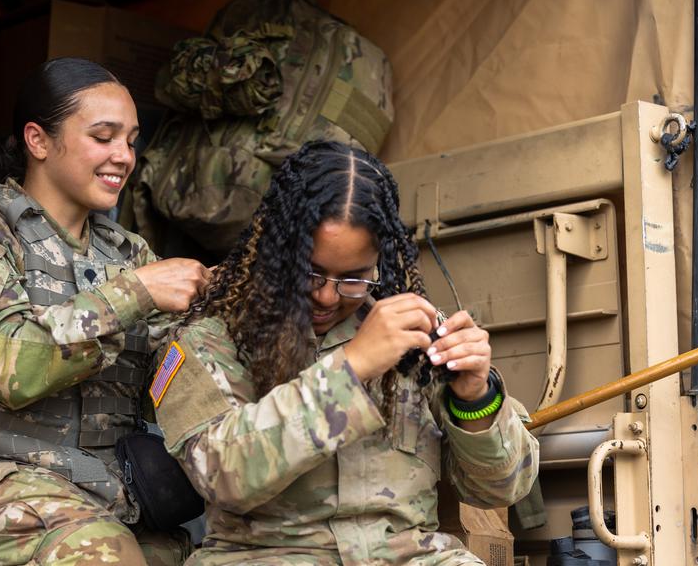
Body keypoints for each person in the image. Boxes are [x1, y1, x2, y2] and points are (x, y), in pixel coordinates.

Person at [151, 140, 540, 565]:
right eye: (310, 271)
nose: (326, 295)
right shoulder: (208, 337)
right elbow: (221, 475)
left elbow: (500, 490)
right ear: (275, 250)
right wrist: (351, 367)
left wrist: (476, 399)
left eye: (354, 278)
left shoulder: (415, 337)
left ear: (379, 263)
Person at [0, 57, 210, 566]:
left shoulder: (128, 253)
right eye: (103, 137)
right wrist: (133, 295)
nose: (123, 156)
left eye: (131, 140)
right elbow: (3, 368)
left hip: (106, 492)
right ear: (38, 141)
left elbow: (177, 379)